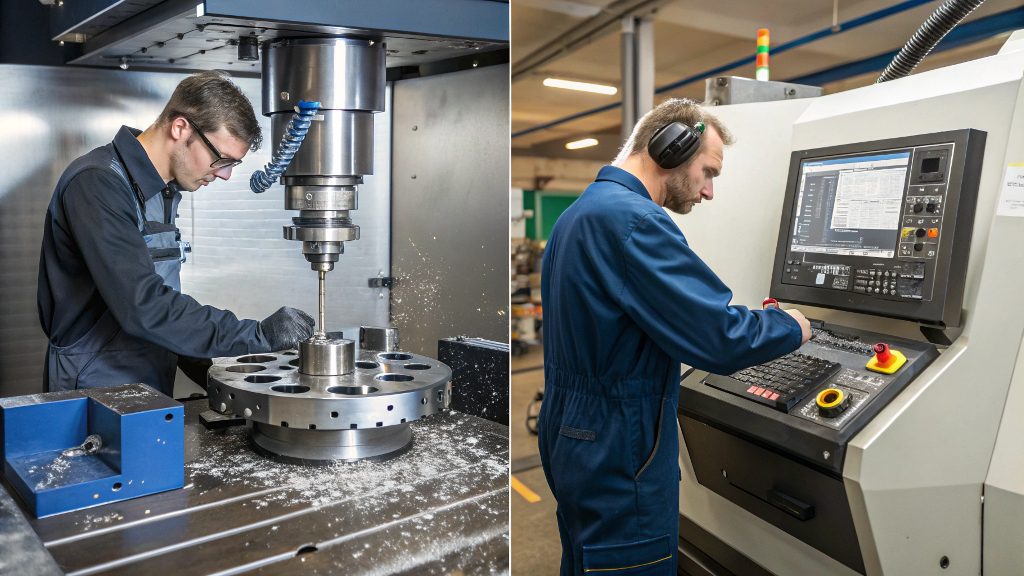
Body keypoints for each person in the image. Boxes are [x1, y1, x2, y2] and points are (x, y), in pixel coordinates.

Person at [538, 98, 812, 575]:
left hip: (575, 430)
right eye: (708, 172)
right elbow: (719, 339)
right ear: (669, 149)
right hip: (620, 444)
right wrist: (793, 325)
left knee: (589, 562)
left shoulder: (580, 214)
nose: (708, 192)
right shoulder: (635, 221)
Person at [37, 71, 314, 397]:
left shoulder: (162, 191)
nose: (224, 175)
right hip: (92, 388)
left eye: (232, 165)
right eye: (221, 159)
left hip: (148, 381)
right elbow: (144, 307)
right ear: (180, 128)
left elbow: (163, 304)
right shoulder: (98, 183)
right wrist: (259, 337)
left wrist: (217, 377)